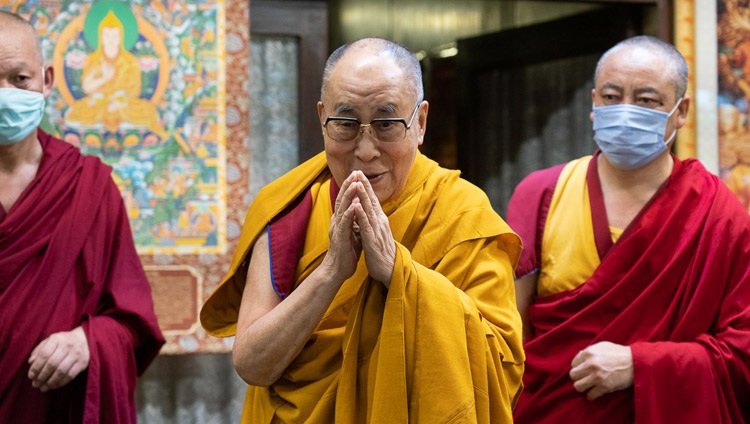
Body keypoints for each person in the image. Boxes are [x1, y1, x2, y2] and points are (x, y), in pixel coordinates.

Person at [200, 37, 524, 422]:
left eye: (387, 124)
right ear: (322, 118)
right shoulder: (289, 206)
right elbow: (253, 364)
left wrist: (398, 273)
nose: (366, 149)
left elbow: (498, 366)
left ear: (419, 123)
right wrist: (331, 272)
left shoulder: (462, 215)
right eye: (346, 123)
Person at [508, 35, 750, 423]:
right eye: (611, 96)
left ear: (681, 110)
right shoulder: (541, 196)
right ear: (592, 103)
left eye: (646, 100)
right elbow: (505, 337)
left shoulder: (717, 214)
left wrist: (641, 364)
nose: (624, 111)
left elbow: (743, 350)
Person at [0, 12, 164, 423]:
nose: (5, 94)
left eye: (19, 79)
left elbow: (133, 323)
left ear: (47, 80)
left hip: (57, 407)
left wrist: (89, 341)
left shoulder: (87, 186)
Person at [65, 9, 167, 139]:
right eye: (107, 35)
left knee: (148, 110)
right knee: (77, 111)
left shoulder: (130, 61)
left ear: (121, 37)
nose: (111, 40)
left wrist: (119, 100)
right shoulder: (93, 59)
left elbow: (135, 90)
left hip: (124, 103)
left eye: (114, 36)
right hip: (98, 103)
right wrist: (104, 78)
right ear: (101, 37)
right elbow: (87, 87)